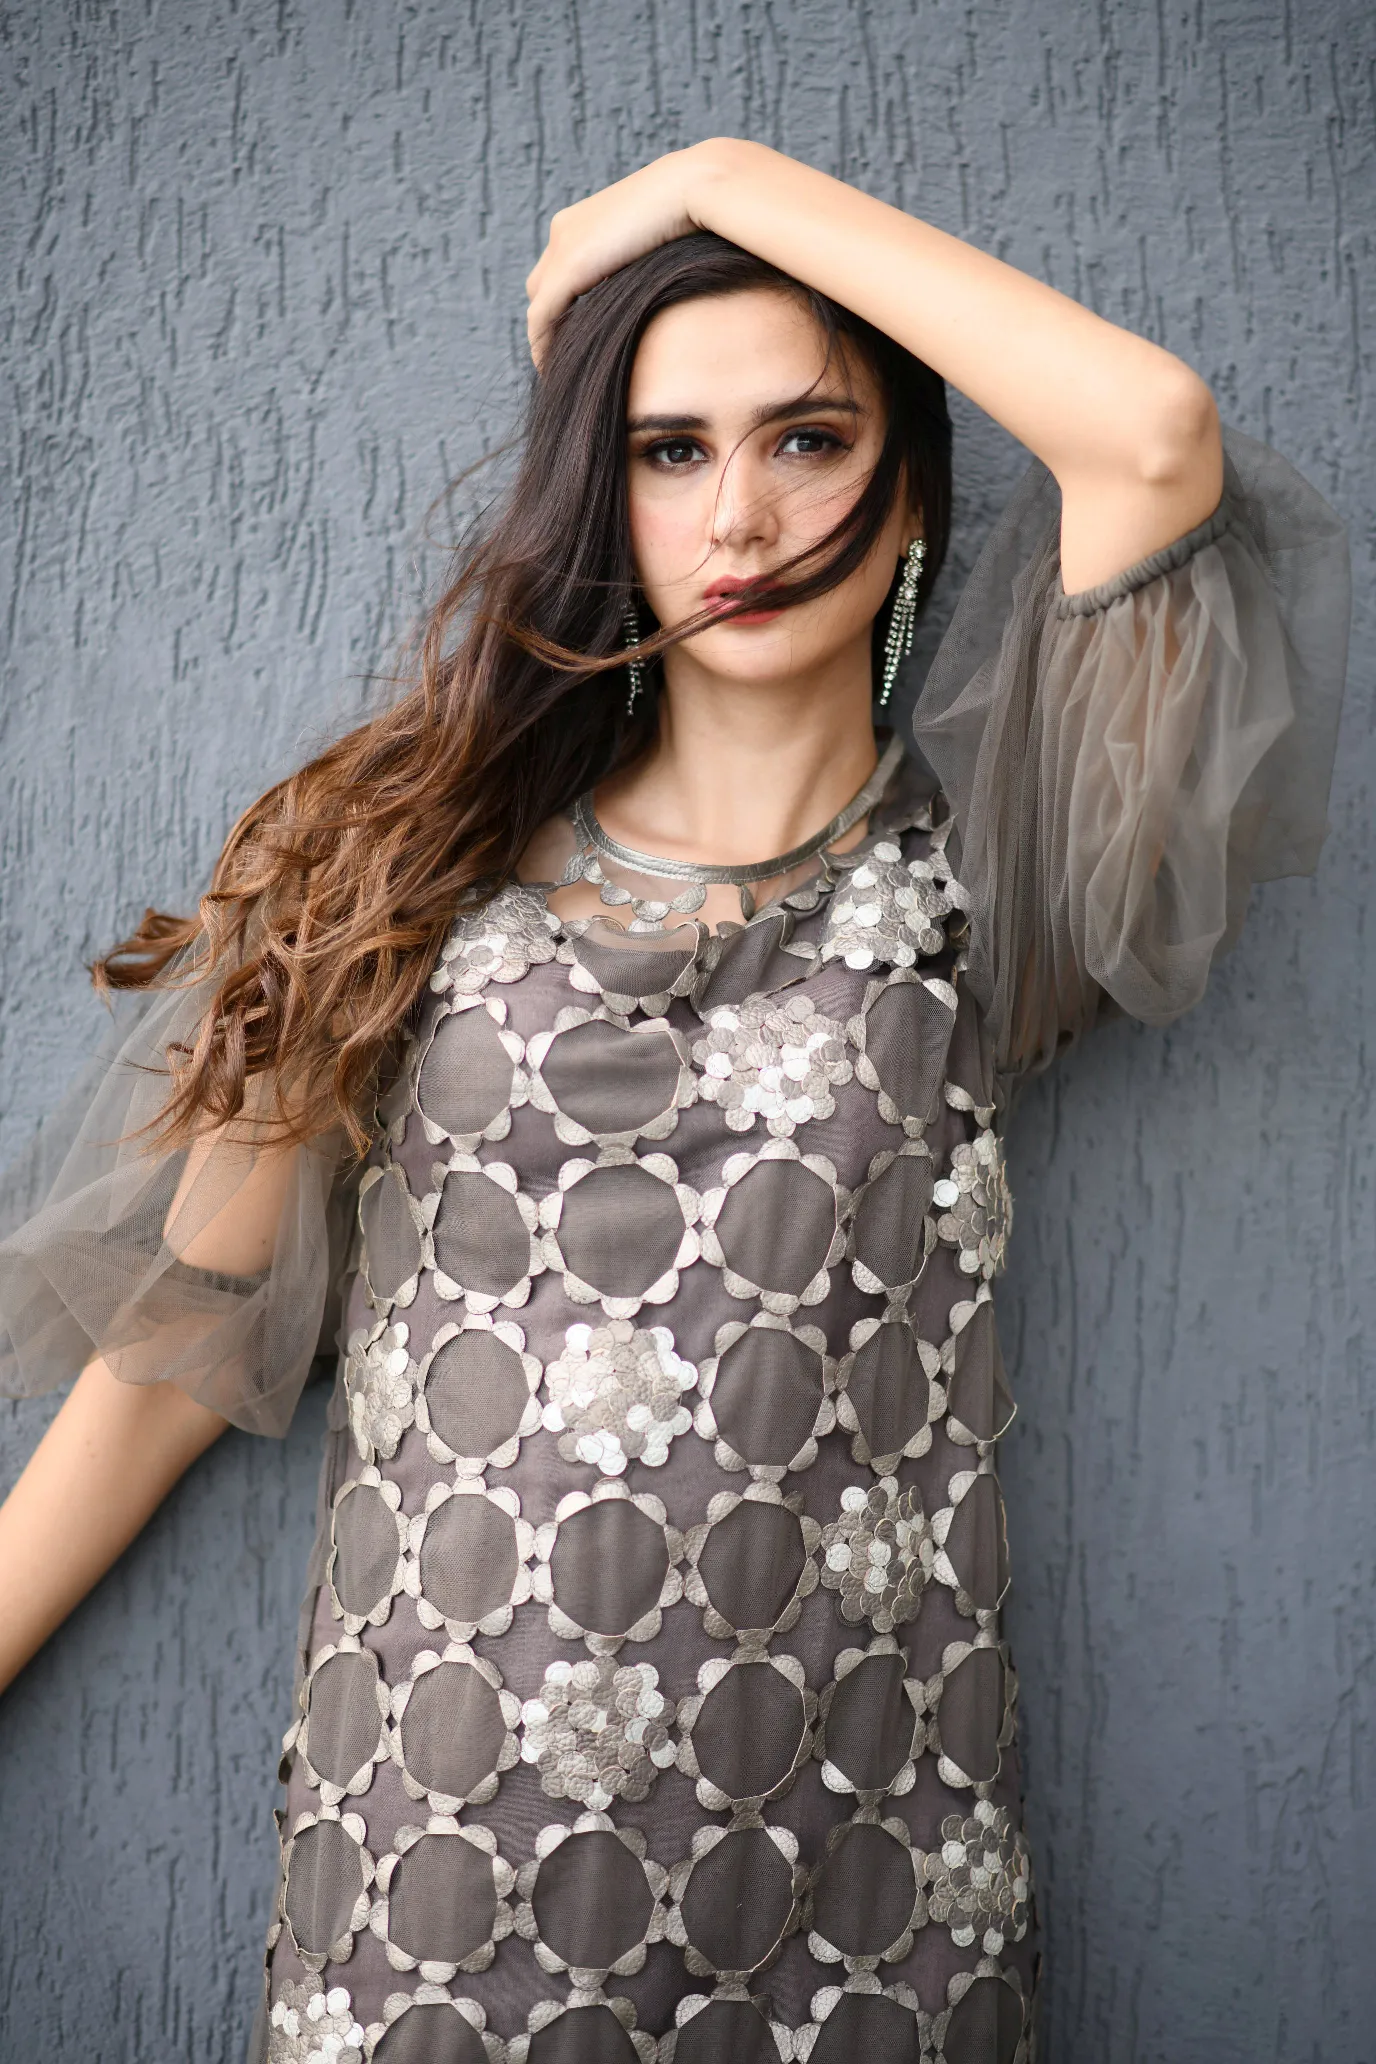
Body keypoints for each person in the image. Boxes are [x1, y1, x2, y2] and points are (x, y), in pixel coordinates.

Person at [0, 139, 1348, 2063]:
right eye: (666, 450)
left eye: (810, 439)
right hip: (440, 1864)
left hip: (866, 1884)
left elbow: (1150, 438)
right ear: (601, 497)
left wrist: (715, 179)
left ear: (910, 492)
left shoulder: (990, 884)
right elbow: (169, 1362)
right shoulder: (401, 868)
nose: (742, 515)